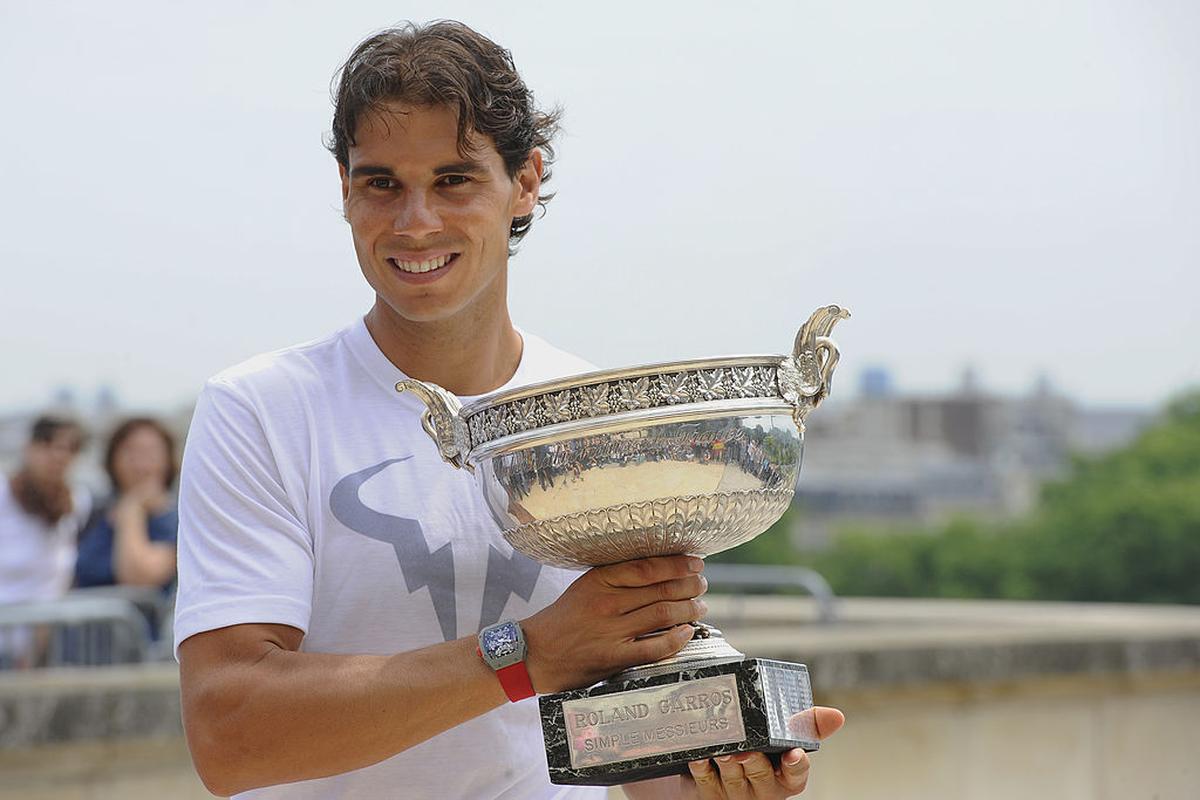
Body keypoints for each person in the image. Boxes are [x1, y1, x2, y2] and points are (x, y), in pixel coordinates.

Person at [175, 21, 843, 800]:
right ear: (344, 184)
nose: (414, 222)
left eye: (454, 180)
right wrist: (525, 654)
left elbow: (625, 747)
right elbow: (230, 733)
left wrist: (721, 776)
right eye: (381, 182)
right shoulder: (260, 411)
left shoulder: (588, 415)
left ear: (524, 181)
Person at [0, 416, 89, 667]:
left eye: (69, 449)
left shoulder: (78, 502)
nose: (58, 456)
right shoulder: (4, 493)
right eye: (48, 444)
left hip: (44, 646)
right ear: (29, 448)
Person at [75, 417, 179, 591]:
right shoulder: (93, 512)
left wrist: (132, 510)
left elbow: (140, 578)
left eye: (150, 452)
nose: (140, 463)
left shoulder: (177, 520)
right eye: (131, 451)